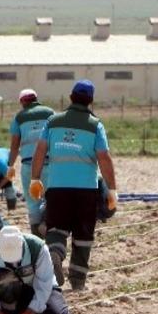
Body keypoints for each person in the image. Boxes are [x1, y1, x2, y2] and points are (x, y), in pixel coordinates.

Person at [29, 80, 118, 290]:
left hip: (57, 187)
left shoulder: (53, 121)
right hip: (86, 190)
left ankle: (55, 253)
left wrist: (35, 178)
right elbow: (104, 158)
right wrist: (112, 189)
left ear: (71, 97)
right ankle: (77, 281)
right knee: (83, 234)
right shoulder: (95, 125)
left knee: (56, 227)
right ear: (91, 100)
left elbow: (40, 150)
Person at [0, 225, 70, 314]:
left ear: (22, 244)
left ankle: (34, 312)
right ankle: (12, 311)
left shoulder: (38, 247)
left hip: (39, 288)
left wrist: (31, 311)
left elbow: (45, 283)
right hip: (11, 290)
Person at [7, 89, 53, 236]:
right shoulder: (50, 113)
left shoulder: (19, 117)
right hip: (50, 163)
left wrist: (10, 165)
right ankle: (48, 227)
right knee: (51, 197)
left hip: (29, 165)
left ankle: (37, 235)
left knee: (33, 201)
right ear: (36, 99)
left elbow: (14, 145)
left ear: (22, 102)